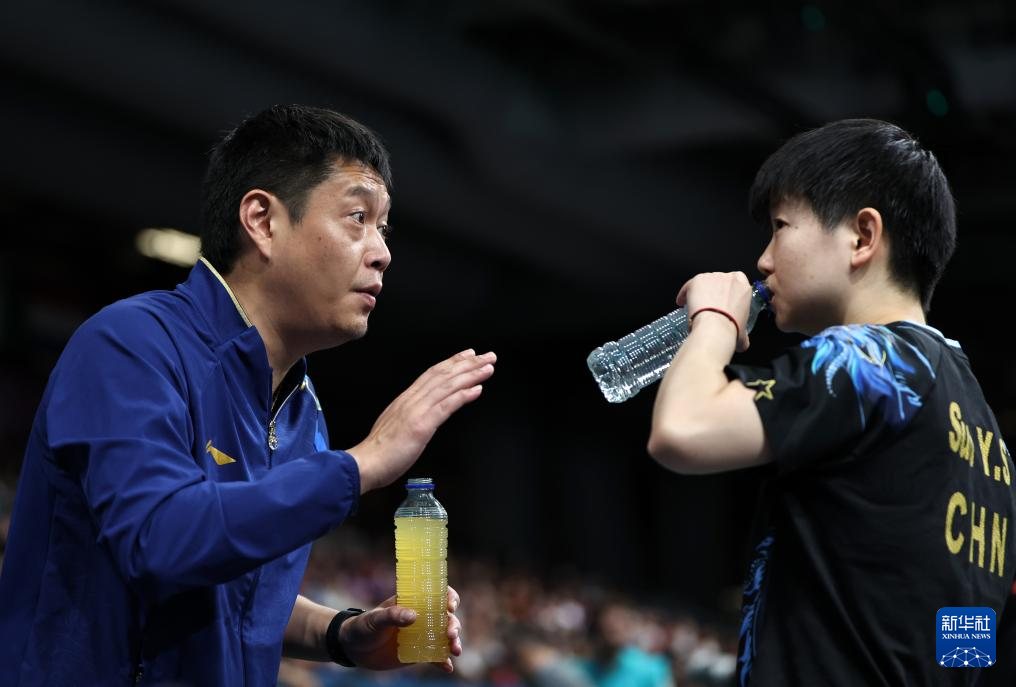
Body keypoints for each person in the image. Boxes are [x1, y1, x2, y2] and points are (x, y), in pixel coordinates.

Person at [0, 104, 496, 685]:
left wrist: (340, 633)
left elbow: (240, 595)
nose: (382, 251)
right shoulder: (131, 344)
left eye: (383, 228)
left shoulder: (301, 408)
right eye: (358, 217)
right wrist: (365, 461)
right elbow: (159, 542)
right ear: (262, 221)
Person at [646, 119, 1015, 685]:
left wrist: (715, 320)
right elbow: (965, 642)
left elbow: (682, 430)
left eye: (780, 227)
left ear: (863, 237)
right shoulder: (989, 444)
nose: (764, 259)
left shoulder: (871, 359)